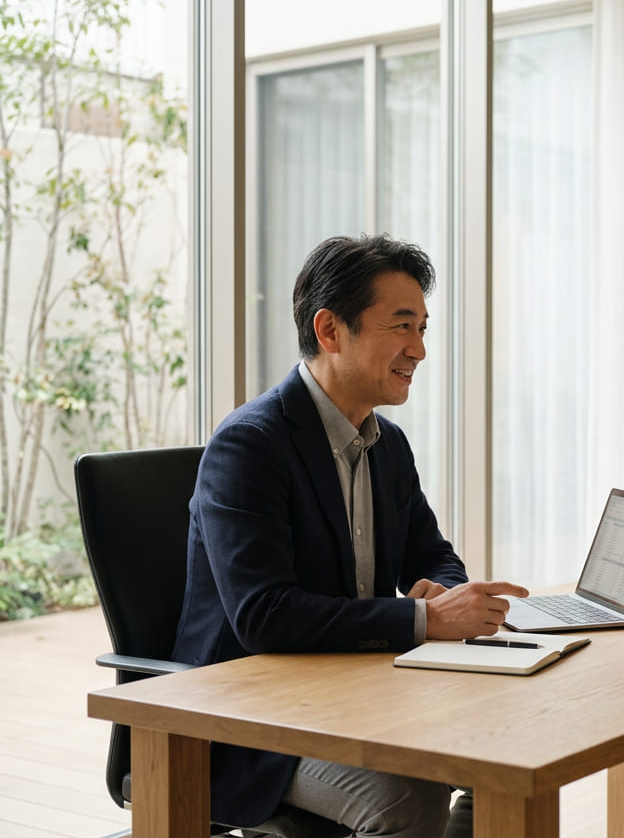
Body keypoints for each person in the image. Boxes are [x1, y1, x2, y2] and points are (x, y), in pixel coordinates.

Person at [171, 234, 527, 837]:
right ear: (330, 331)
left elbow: (432, 553)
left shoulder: (387, 444)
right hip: (245, 722)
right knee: (406, 799)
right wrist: (424, 622)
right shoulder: (251, 444)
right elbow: (264, 614)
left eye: (423, 328)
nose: (418, 349)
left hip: (354, 696)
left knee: (510, 754)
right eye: (401, 326)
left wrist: (442, 592)